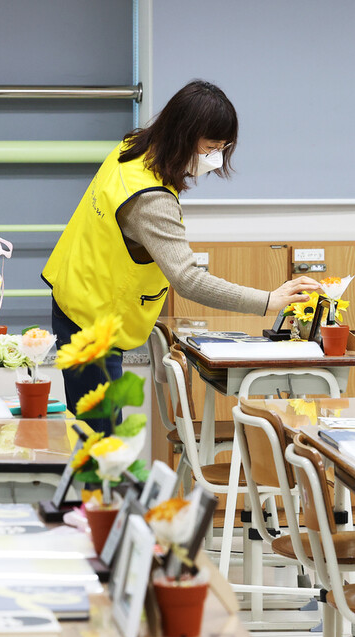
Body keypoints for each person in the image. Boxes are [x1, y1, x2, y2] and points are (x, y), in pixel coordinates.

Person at [43, 79, 320, 430]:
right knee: (100, 440)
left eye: (223, 146)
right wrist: (268, 300)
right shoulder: (150, 199)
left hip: (78, 294)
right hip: (91, 316)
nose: (216, 157)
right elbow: (188, 279)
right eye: (210, 147)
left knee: (96, 434)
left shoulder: (134, 149)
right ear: (183, 135)